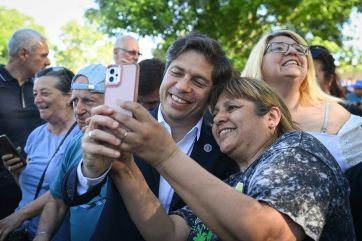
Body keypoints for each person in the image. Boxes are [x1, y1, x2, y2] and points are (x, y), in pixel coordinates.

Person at [82, 76, 355, 241]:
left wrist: (165, 154)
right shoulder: (230, 182)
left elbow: (270, 235)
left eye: (232, 108)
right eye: (215, 115)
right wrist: (123, 166)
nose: (219, 118)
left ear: (271, 117)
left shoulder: (299, 149)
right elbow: (167, 234)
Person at [55, 32, 238, 241]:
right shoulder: (121, 122)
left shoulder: (222, 147)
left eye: (198, 81)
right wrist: (89, 171)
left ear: (212, 92)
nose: (182, 86)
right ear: (165, 74)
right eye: (176, 72)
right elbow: (72, 194)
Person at [241, 29, 362, 172]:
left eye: (299, 49)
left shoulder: (338, 114)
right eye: (279, 48)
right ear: (259, 62)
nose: (293, 52)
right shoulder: (236, 114)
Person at [0, 67, 80, 241]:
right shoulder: (37, 134)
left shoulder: (80, 137)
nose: (37, 100)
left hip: (55, 233)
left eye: (44, 93)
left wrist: (20, 215)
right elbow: (29, 188)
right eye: (35, 93)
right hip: (20, 231)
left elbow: (62, 190)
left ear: (69, 97)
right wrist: (16, 171)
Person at [33, 64, 107, 241]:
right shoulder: (75, 144)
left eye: (88, 101)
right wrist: (42, 236)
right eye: (75, 101)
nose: (78, 110)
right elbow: (57, 201)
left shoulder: (135, 147)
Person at [0, 29, 50, 219]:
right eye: (43, 55)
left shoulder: (41, 87)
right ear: (23, 54)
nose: (48, 62)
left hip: (33, 186)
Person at [310, 45, 362, 116]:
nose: (303, 82)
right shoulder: (292, 117)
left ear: (328, 80)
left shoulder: (354, 117)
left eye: (311, 77)